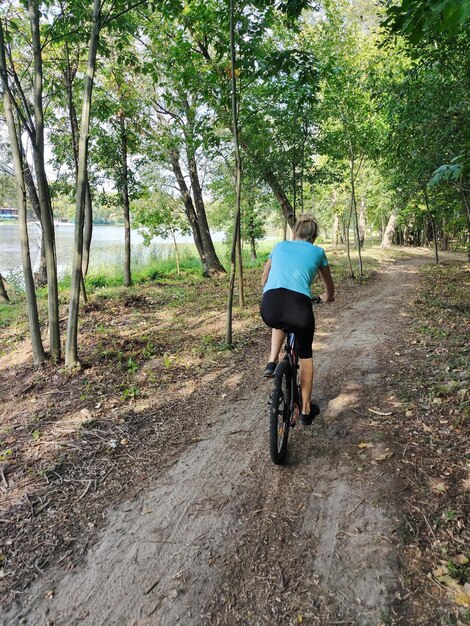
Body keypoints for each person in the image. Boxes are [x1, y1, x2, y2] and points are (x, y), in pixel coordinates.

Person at [260, 214, 334, 425]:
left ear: (295, 232)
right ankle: (306, 410)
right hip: (299, 308)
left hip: (269, 305)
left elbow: (264, 279)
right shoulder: (318, 252)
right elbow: (329, 288)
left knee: (279, 321)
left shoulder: (280, 246)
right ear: (314, 236)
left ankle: (272, 362)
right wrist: (326, 297)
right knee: (305, 355)